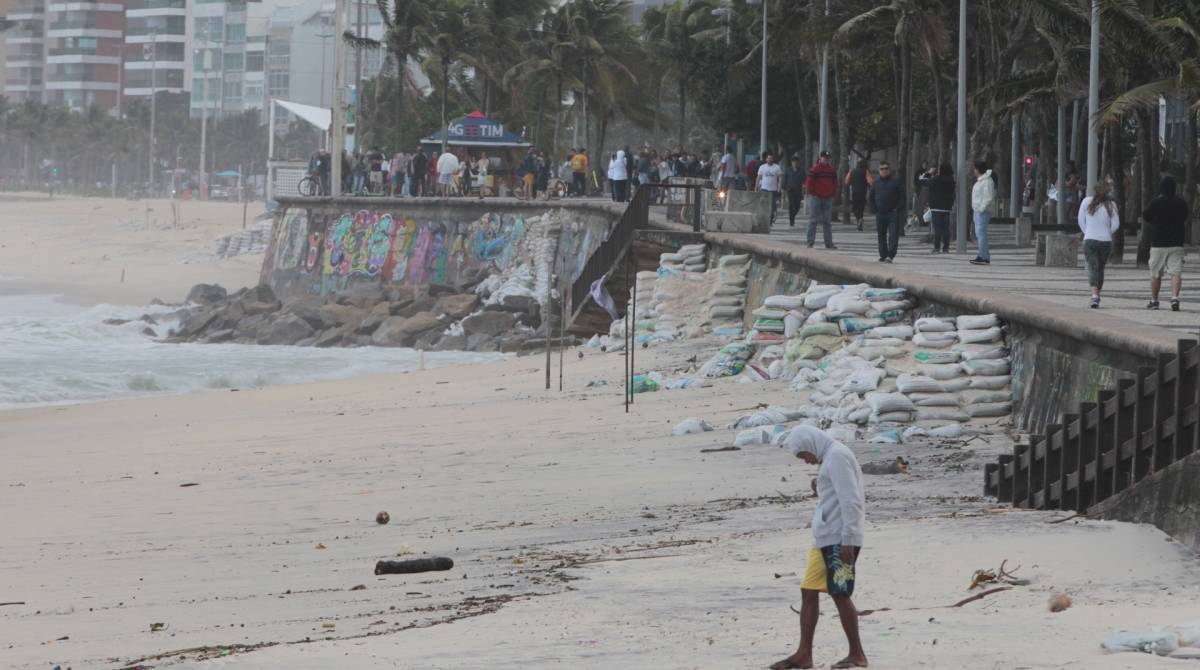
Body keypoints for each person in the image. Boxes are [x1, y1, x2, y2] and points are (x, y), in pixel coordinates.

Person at [771, 426, 867, 670]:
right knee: (808, 591)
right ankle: (804, 655)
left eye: (804, 455)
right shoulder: (829, 459)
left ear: (810, 444)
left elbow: (851, 500)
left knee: (840, 592)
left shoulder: (837, 456)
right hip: (824, 538)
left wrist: (848, 538)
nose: (806, 461)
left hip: (840, 539)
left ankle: (857, 654)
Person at [1143, 176, 1188, 311]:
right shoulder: (1181, 203)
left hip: (1158, 243)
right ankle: (1174, 298)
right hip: (1177, 243)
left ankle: (1155, 300)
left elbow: (1146, 216)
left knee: (1156, 273)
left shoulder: (1156, 202)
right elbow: (1185, 217)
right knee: (1176, 272)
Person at [1078, 180, 1121, 308]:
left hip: (1090, 239)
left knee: (1092, 266)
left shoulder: (1086, 201)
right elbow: (1116, 225)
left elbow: (1080, 220)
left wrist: (1087, 232)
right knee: (1100, 267)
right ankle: (1097, 294)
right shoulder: (1111, 205)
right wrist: (1107, 232)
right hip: (1106, 241)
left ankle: (1094, 295)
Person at [804, 150, 839, 249]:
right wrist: (812, 193)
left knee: (827, 221)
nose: (826, 159)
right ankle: (810, 242)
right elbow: (809, 182)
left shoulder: (831, 170)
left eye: (828, 158)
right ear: (820, 158)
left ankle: (829, 243)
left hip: (827, 197)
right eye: (824, 157)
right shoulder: (815, 169)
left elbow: (835, 183)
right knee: (813, 220)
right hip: (816, 197)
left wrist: (833, 193)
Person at [870, 160, 903, 263]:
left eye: (886, 169)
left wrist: (897, 208)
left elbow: (902, 197)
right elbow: (870, 197)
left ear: (890, 170)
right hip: (880, 213)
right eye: (882, 169)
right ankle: (883, 254)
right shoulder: (876, 183)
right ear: (879, 171)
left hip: (892, 213)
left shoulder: (896, 182)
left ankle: (890, 255)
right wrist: (874, 209)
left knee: (893, 234)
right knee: (881, 235)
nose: (884, 171)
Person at [918, 164, 955, 253]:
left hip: (936, 208)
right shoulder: (951, 181)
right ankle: (946, 248)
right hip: (946, 208)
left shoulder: (935, 180)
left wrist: (928, 173)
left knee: (937, 228)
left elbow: (922, 180)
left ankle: (937, 247)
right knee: (946, 229)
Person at [970, 160, 996, 265]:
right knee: (979, 234)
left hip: (983, 211)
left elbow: (988, 197)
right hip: (977, 210)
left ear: (978, 169)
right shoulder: (981, 181)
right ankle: (983, 254)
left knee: (981, 234)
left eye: (975, 168)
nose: (974, 170)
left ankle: (983, 256)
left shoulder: (987, 181)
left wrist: (981, 208)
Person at [844, 158, 873, 231]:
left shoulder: (852, 171)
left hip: (854, 192)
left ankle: (858, 219)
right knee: (861, 208)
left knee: (854, 208)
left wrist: (851, 183)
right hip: (863, 192)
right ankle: (860, 220)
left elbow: (847, 182)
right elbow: (870, 182)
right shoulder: (865, 171)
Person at [756, 152, 783, 225]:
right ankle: (764, 219)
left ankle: (771, 219)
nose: (770, 159)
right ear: (766, 159)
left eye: (771, 158)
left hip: (773, 189)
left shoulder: (777, 167)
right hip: (764, 188)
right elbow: (758, 177)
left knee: (772, 206)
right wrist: (756, 187)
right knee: (763, 205)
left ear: (773, 159)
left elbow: (780, 178)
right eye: (768, 158)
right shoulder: (762, 167)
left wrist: (779, 188)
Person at [783, 154, 807, 228]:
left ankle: (792, 216)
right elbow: (784, 180)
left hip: (798, 190)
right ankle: (791, 221)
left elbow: (805, 180)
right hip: (790, 190)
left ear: (798, 163)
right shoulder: (788, 170)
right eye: (793, 162)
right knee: (791, 205)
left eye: (796, 162)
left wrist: (805, 186)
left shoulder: (802, 171)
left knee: (797, 206)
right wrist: (784, 188)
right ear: (791, 162)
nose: (795, 163)